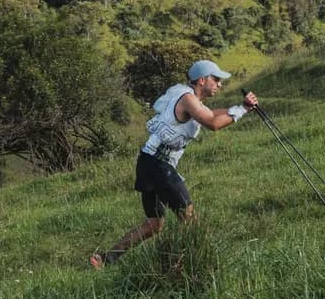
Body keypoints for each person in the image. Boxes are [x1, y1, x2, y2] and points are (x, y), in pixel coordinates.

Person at [90, 59, 258, 269]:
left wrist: (240, 108)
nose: (219, 84)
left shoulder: (186, 96)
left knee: (154, 224)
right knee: (189, 219)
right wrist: (243, 109)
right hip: (159, 165)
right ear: (202, 80)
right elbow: (213, 123)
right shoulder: (188, 99)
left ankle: (106, 259)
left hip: (148, 162)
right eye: (216, 79)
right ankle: (204, 266)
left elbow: (211, 114)